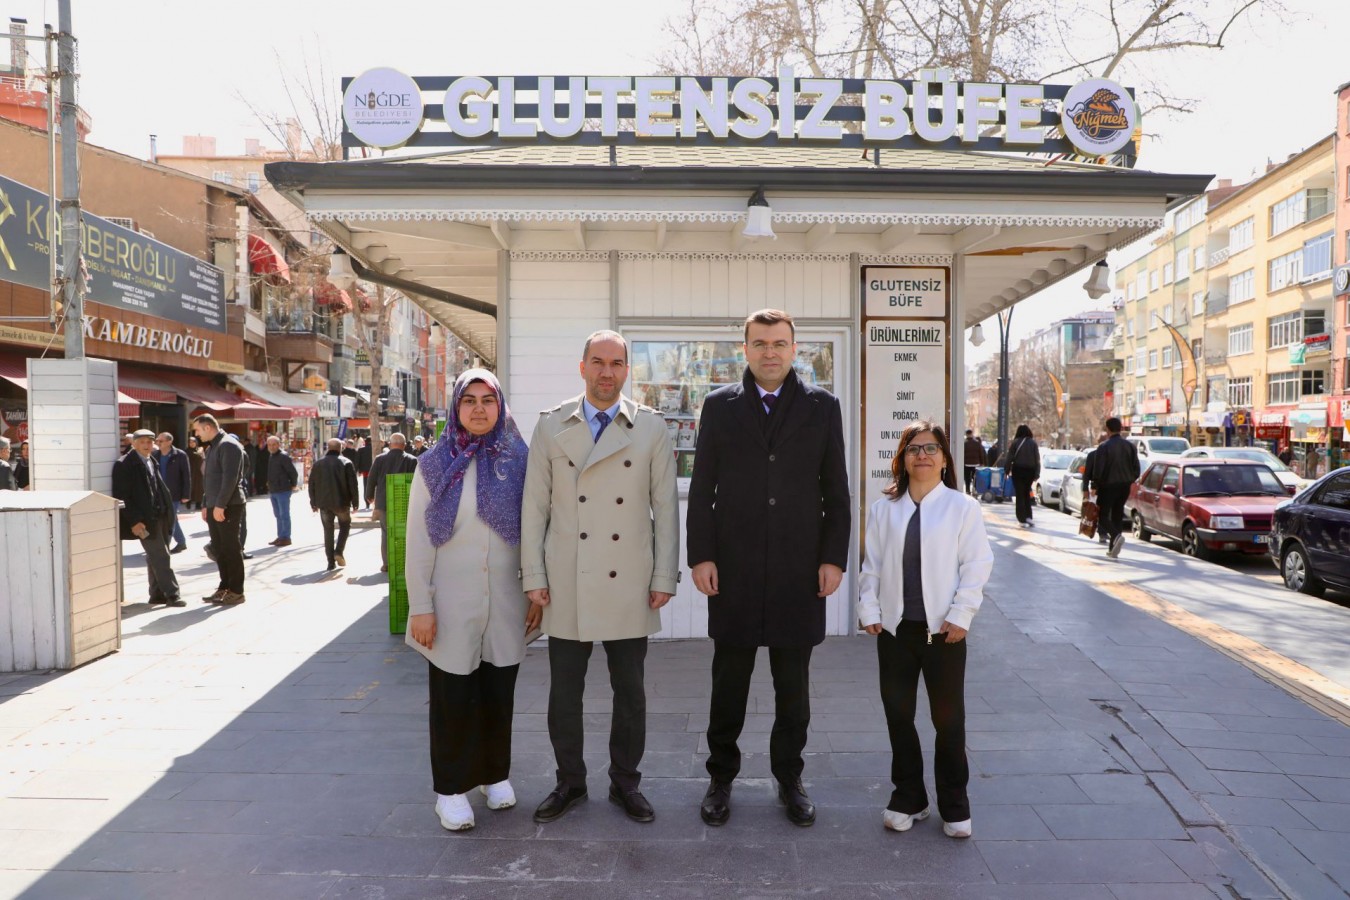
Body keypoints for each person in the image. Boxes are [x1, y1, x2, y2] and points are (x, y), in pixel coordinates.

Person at [687, 309, 851, 828]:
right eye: (760, 344)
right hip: (732, 570)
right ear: (745, 349)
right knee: (728, 684)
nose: (770, 353)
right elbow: (702, 488)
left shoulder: (823, 407)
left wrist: (832, 557)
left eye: (779, 343)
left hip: (798, 571)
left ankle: (790, 779)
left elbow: (836, 491)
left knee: (793, 689)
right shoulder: (718, 406)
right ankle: (720, 779)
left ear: (795, 348)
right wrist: (702, 555)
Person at [521, 330, 679, 825]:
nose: (607, 372)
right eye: (598, 362)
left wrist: (663, 576)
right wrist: (533, 575)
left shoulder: (650, 427)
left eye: (616, 363)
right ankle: (569, 782)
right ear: (582, 366)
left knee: (629, 692)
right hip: (567, 577)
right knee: (564, 693)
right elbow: (534, 507)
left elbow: (666, 509)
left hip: (629, 577)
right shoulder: (551, 426)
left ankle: (625, 784)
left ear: (627, 369)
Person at [406, 369, 534, 831]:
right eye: (469, 400)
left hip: (505, 600)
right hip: (449, 603)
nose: (479, 409)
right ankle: (451, 790)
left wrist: (537, 588)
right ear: (455, 407)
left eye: (488, 400)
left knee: (498, 693)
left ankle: (494, 775)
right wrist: (420, 604)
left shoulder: (520, 459)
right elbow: (418, 540)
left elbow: (536, 531)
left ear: (500, 406)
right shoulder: (434, 463)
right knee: (452, 699)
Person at [858, 420, 992, 839]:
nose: (923, 455)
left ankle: (954, 804)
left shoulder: (962, 507)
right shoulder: (884, 509)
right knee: (899, 717)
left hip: (945, 634)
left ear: (945, 458)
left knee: (948, 722)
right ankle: (909, 798)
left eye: (931, 448)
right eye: (914, 448)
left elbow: (976, 565)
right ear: (903, 458)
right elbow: (871, 568)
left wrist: (962, 614)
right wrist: (869, 608)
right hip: (897, 633)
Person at [112, 429, 183, 607]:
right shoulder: (124, 464)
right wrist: (135, 521)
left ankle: (157, 594)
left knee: (155, 557)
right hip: (144, 520)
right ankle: (172, 594)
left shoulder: (152, 460)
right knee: (161, 556)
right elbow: (123, 496)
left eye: (150, 442)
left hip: (161, 515)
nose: (146, 445)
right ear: (133, 444)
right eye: (142, 442)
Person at [194, 414, 248, 605]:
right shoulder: (213, 447)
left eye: (198, 430)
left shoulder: (228, 445)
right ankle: (224, 587)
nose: (196, 434)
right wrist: (205, 504)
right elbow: (209, 479)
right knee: (219, 548)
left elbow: (230, 479)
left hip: (228, 505)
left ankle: (237, 590)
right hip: (214, 504)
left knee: (231, 548)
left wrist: (220, 505)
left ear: (208, 427)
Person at [1088, 417, 1141, 559]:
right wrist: (1130, 480)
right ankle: (1113, 548)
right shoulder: (1130, 447)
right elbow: (1137, 469)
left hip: (1108, 486)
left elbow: (1098, 470)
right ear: (1121, 429)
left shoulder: (1104, 447)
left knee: (1102, 515)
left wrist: (1094, 486)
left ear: (1108, 430)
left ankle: (1116, 536)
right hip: (1125, 486)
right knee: (1117, 514)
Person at [366, 433, 419, 573]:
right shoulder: (412, 460)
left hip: (384, 501)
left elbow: (371, 479)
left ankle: (387, 564)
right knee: (405, 532)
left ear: (390, 444)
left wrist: (369, 496)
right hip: (405, 502)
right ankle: (404, 562)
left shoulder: (379, 459)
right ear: (404, 445)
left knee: (386, 532)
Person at [309, 438, 360, 570]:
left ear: (328, 448)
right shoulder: (346, 462)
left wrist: (313, 502)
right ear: (341, 448)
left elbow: (312, 484)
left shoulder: (318, 463)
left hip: (324, 504)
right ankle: (338, 551)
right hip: (342, 502)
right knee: (345, 526)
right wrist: (355, 502)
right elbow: (353, 485)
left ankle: (330, 561)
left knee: (328, 531)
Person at [153, 433, 192, 554]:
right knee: (172, 518)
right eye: (157, 441)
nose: (158, 443)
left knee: (170, 519)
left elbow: (186, 475)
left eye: (161, 441)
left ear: (169, 442)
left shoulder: (180, 455)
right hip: (159, 493)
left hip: (174, 493)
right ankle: (181, 542)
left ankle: (165, 544)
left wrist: (186, 494)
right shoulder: (155, 455)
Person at [1003, 424, 1040, 528]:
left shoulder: (1015, 442)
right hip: (1030, 472)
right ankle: (1029, 516)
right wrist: (1037, 473)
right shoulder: (1033, 443)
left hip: (1018, 470)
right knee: (1026, 493)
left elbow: (1009, 457)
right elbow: (1037, 459)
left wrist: (1006, 470)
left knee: (1019, 494)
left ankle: (1021, 519)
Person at [265, 435, 299, 547]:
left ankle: (286, 537)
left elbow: (293, 472)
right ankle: (280, 536)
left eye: (274, 444)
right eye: (269, 445)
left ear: (279, 445)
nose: (271, 447)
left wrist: (293, 484)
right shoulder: (271, 456)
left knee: (284, 514)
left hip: (283, 490)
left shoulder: (283, 456)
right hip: (273, 490)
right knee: (278, 515)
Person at [1080, 431, 1110, 544]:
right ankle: (1100, 532)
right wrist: (1085, 490)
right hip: (1096, 488)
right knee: (1096, 511)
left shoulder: (1110, 455)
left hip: (1107, 487)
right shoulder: (1092, 455)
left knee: (1104, 511)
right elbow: (1087, 474)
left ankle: (1104, 532)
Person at [962, 429, 985, 495]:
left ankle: (967, 490)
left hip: (966, 464)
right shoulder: (977, 443)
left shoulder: (964, 443)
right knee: (975, 478)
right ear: (972, 434)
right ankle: (975, 489)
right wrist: (982, 462)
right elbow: (981, 453)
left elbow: (962, 454)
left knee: (967, 478)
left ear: (966, 434)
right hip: (976, 464)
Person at [187, 435, 206, 510]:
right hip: (190, 471)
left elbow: (203, 458)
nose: (191, 444)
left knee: (199, 488)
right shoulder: (187, 451)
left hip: (199, 472)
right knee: (190, 488)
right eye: (190, 442)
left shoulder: (200, 450)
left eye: (193, 442)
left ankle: (198, 504)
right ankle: (188, 502)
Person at [356, 437, 373, 506]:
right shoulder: (375, 449)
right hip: (374, 470)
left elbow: (358, 460)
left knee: (366, 485)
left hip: (365, 471)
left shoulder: (361, 450)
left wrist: (358, 470)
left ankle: (367, 502)